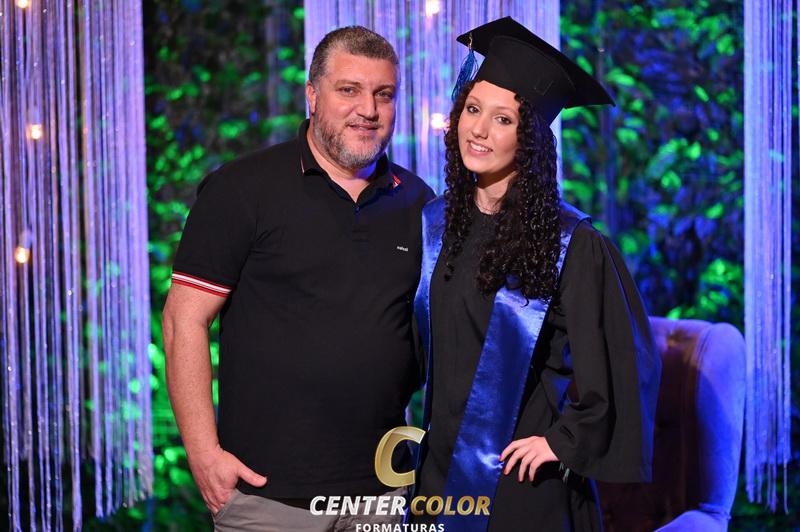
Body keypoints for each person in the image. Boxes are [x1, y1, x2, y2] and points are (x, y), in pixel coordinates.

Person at [162, 26, 434, 531]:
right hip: (268, 500)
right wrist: (204, 455)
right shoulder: (241, 189)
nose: (368, 109)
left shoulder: (418, 203)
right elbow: (183, 322)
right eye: (349, 90)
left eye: (384, 94)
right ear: (312, 95)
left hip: (383, 494)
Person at [412, 17, 661, 531]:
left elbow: (622, 360)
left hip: (520, 486)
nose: (479, 129)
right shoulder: (436, 224)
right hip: (436, 472)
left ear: (529, 139)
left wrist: (561, 442)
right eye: (473, 109)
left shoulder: (572, 243)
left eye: (503, 119)